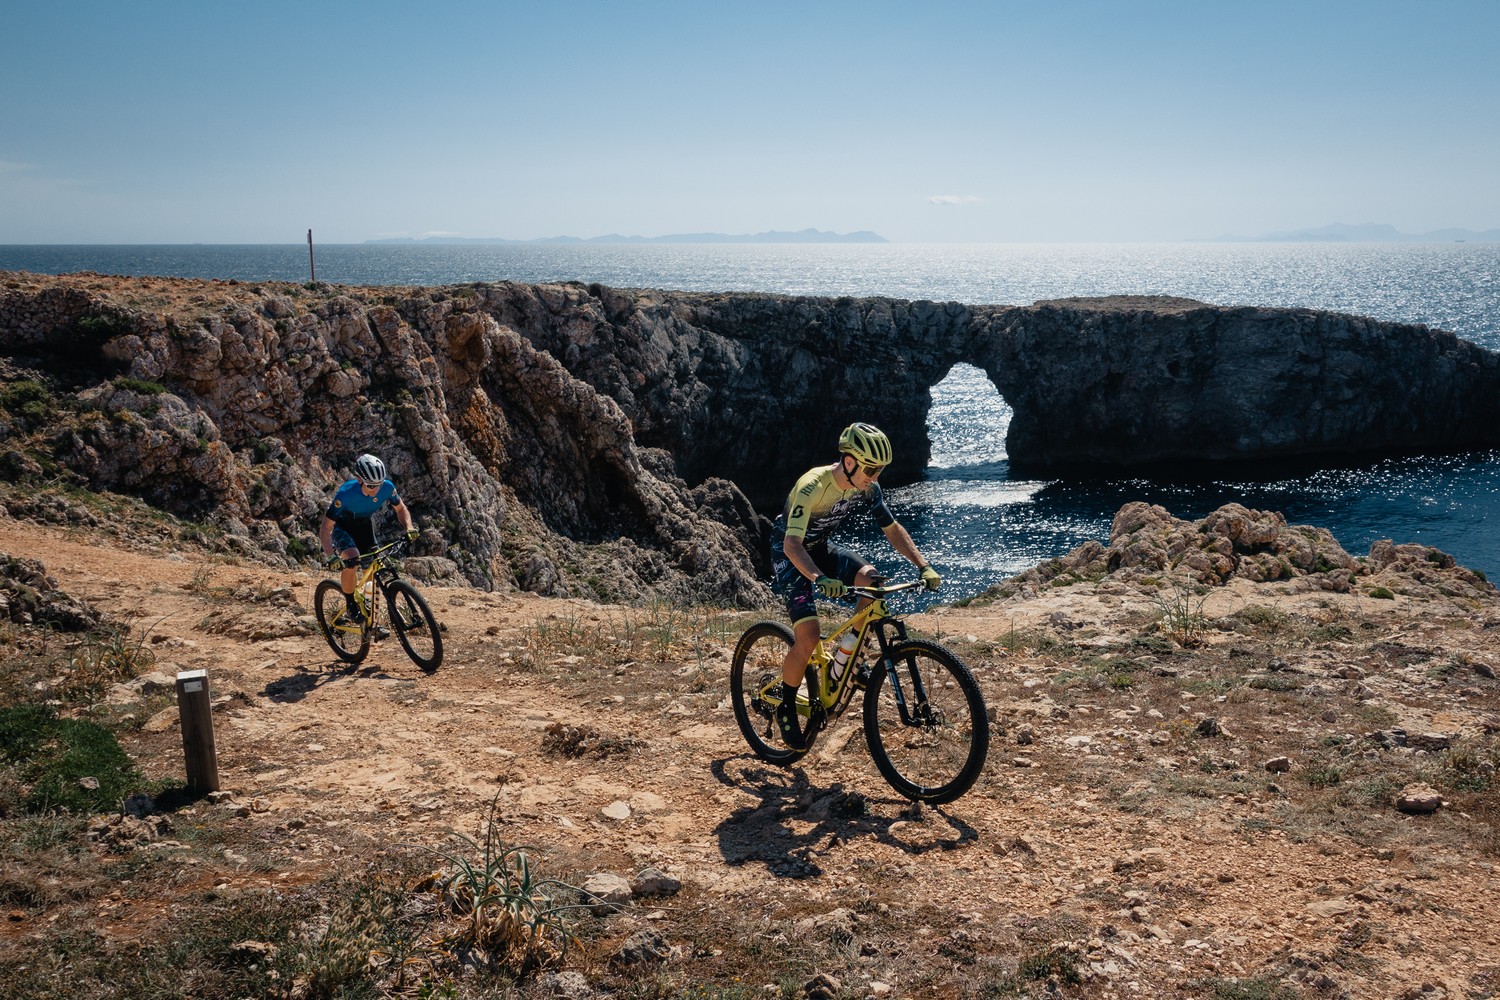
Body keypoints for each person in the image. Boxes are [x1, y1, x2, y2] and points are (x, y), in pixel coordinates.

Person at [768, 422, 941, 750]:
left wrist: (923, 565)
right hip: (789, 553)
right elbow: (792, 545)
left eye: (880, 470)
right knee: (807, 638)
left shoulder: (867, 487)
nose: (875, 477)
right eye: (871, 468)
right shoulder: (812, 486)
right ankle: (787, 707)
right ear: (849, 462)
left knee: (871, 582)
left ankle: (843, 662)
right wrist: (818, 578)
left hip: (818, 546)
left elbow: (892, 529)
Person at [318, 453, 418, 621]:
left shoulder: (387, 487)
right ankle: (350, 604)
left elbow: (401, 509)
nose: (376, 489)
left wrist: (409, 528)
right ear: (360, 480)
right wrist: (330, 555)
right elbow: (326, 527)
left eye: (378, 484)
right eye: (371, 485)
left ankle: (372, 620)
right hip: (343, 527)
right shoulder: (345, 493)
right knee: (352, 559)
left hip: (364, 526)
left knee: (373, 572)